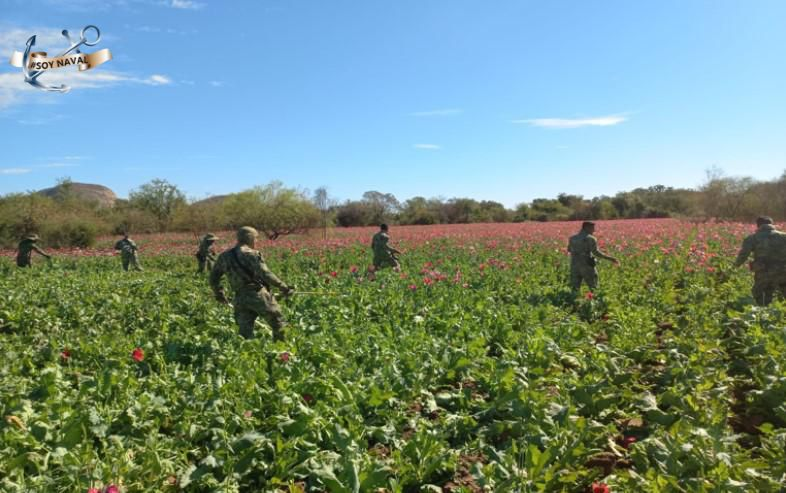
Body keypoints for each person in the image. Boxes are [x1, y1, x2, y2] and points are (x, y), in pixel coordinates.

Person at [210, 226, 294, 341]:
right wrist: (283, 287)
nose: (256, 241)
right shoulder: (252, 254)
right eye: (256, 238)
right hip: (258, 295)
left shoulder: (224, 256)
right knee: (278, 324)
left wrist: (219, 294)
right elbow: (266, 274)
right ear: (249, 238)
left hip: (240, 298)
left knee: (244, 333)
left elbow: (213, 277)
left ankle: (248, 355)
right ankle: (283, 352)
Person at [733, 216, 786, 305]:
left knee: (761, 296)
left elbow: (743, 255)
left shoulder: (752, 238)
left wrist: (734, 267)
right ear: (772, 224)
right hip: (783, 272)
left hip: (763, 273)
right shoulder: (784, 236)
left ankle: (765, 316)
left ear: (758, 225)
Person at [568, 221, 619, 292]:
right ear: (586, 228)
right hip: (587, 266)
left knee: (575, 288)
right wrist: (611, 258)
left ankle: (573, 301)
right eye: (592, 228)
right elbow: (596, 252)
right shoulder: (590, 238)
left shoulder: (572, 238)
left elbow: (569, 250)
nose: (594, 230)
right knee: (593, 287)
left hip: (574, 266)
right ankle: (594, 301)